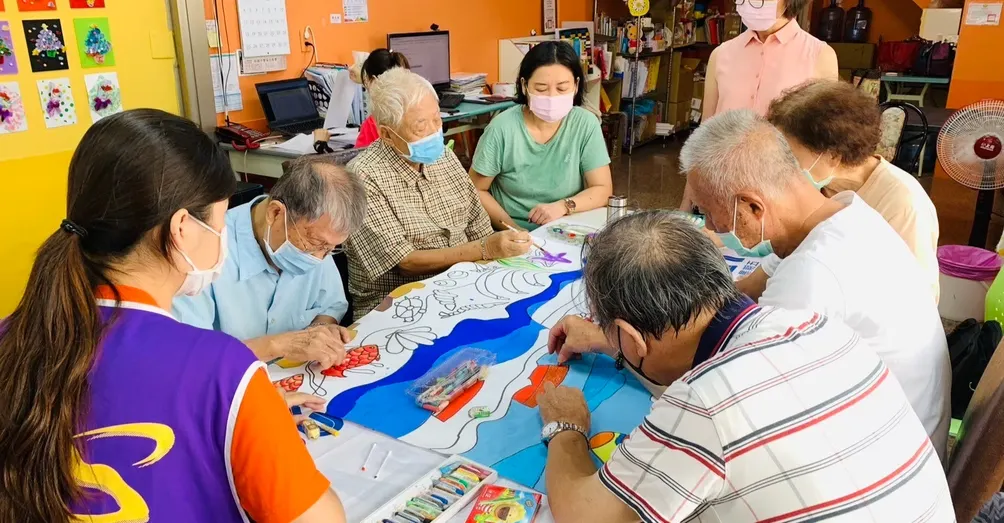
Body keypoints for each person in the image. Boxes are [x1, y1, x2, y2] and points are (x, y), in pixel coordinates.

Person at [0, 110, 344, 522]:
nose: (224, 238)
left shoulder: (14, 336)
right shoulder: (221, 370)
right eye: (221, 221)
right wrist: (258, 421)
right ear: (182, 229)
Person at [540, 211, 953, 523]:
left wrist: (566, 427)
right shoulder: (816, 324)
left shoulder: (702, 401)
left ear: (632, 339)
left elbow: (585, 515)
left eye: (616, 340)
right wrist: (608, 339)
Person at [683, 109, 951, 462]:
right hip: (900, 437)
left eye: (707, 211)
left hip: (879, 462)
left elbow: (740, 403)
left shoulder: (812, 274)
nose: (710, 227)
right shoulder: (843, 215)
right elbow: (743, 291)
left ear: (752, 206)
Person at [346, 68, 532, 317]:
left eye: (437, 119)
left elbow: (478, 226)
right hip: (401, 305)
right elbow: (406, 263)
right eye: (421, 126)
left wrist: (497, 249)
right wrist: (484, 249)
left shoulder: (444, 157)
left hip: (464, 286)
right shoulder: (362, 178)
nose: (435, 132)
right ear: (387, 134)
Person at [173, 157, 365, 369]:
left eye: (330, 249)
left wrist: (320, 331)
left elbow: (331, 304)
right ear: (275, 213)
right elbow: (191, 357)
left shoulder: (319, 236)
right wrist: (277, 346)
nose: (319, 258)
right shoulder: (202, 251)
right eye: (314, 243)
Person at [765, 79, 940, 302]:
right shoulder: (819, 185)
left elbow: (916, 298)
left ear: (832, 155)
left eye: (790, 156)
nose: (782, 164)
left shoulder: (903, 204)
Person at [679, 0, 837, 211]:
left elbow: (824, 140)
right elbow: (704, 133)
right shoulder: (722, 54)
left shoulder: (819, 55)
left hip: (783, 195)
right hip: (721, 190)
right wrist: (688, 199)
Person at [470, 41, 613, 231]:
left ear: (576, 85)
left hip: (566, 227)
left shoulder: (585, 124)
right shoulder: (501, 128)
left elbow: (602, 189)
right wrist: (514, 230)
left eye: (562, 88)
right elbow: (476, 190)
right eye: (541, 89)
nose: (552, 97)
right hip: (511, 231)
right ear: (524, 85)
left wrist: (564, 206)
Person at [354, 48, 410, 149]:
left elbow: (359, 157)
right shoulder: (417, 111)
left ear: (373, 81)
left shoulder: (374, 123)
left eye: (366, 81)